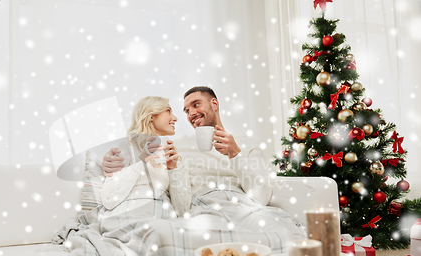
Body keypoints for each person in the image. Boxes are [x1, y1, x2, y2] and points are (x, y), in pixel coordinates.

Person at [103, 87, 304, 239]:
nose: (190, 113)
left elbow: (261, 196)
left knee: (282, 235)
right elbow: (142, 151)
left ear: (214, 104)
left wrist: (235, 154)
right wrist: (109, 164)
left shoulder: (246, 144)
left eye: (196, 105)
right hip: (202, 206)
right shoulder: (178, 146)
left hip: (244, 205)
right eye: (186, 110)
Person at [97, 96, 189, 219]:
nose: (175, 118)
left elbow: (182, 213)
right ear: (151, 116)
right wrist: (142, 161)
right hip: (127, 216)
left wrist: (173, 170)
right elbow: (108, 199)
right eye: (168, 111)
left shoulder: (176, 158)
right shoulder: (125, 148)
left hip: (161, 220)